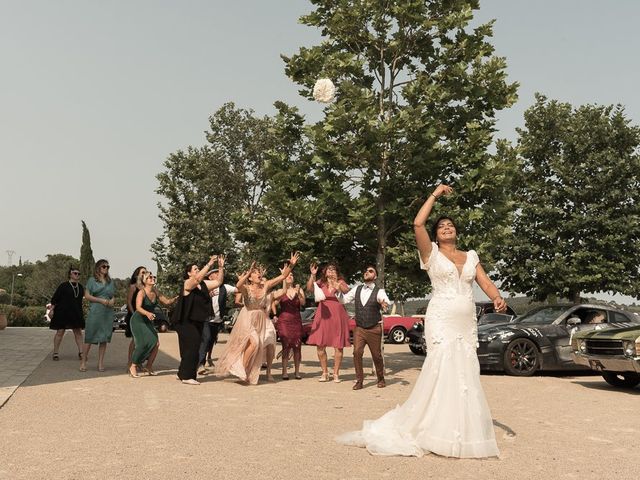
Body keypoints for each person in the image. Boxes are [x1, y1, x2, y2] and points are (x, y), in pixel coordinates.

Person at [337, 184, 506, 458]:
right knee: (442, 367)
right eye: (442, 226)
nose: (447, 227)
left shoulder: (471, 256)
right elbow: (417, 223)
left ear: (457, 232)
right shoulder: (431, 254)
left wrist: (497, 296)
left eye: (451, 225)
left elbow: (484, 282)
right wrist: (435, 194)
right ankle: (432, 427)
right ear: (436, 236)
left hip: (465, 321)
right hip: (441, 318)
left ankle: (462, 429)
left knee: (465, 371)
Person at [216, 252, 299, 385]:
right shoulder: (246, 288)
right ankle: (242, 369)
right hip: (247, 318)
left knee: (255, 346)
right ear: (250, 277)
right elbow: (238, 285)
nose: (260, 274)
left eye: (260, 272)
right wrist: (248, 272)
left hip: (260, 320)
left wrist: (291, 265)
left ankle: (245, 371)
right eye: (256, 273)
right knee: (253, 343)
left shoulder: (265, 286)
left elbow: (283, 276)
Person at [173, 255, 225, 385]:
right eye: (195, 269)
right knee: (193, 345)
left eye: (197, 268)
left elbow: (218, 282)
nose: (197, 270)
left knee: (190, 347)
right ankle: (188, 376)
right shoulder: (188, 283)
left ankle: (181, 373)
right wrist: (209, 264)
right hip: (185, 321)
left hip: (198, 320)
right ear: (189, 273)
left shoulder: (203, 284)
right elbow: (196, 279)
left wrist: (220, 267)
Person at [341, 265, 390, 390]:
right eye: (366, 271)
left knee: (376, 355)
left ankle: (381, 378)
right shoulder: (356, 289)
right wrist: (337, 291)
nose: (367, 272)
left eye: (371, 271)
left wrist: (384, 304)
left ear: (375, 276)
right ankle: (359, 381)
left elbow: (385, 302)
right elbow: (344, 300)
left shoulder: (379, 291)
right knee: (357, 352)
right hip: (360, 328)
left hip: (374, 328)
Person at [305, 262, 351, 383]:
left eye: (333, 270)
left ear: (337, 272)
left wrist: (337, 284)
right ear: (325, 272)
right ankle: (325, 372)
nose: (330, 271)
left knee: (338, 345)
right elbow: (309, 288)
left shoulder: (340, 282)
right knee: (320, 344)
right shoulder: (321, 283)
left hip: (338, 315)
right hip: (323, 314)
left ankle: (336, 373)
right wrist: (312, 275)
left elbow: (347, 291)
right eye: (328, 270)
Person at [128, 271, 177, 378]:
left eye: (153, 276)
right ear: (144, 281)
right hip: (138, 320)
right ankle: (133, 365)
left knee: (156, 343)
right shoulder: (141, 292)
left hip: (147, 320)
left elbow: (167, 302)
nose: (153, 278)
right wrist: (148, 313)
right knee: (141, 344)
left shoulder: (155, 291)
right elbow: (138, 308)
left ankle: (148, 366)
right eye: (150, 277)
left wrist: (178, 297)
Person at [197, 268, 236, 374]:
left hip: (218, 320)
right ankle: (200, 364)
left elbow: (238, 289)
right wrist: (206, 296)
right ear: (210, 277)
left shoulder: (225, 287)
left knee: (211, 341)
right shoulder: (204, 287)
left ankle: (205, 359)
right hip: (206, 319)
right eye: (216, 273)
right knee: (206, 339)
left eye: (219, 273)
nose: (219, 274)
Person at [80, 259, 116, 372]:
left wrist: (112, 301)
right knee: (89, 337)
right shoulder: (92, 280)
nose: (106, 268)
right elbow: (87, 296)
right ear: (98, 268)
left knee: (104, 338)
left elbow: (113, 296)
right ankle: (83, 362)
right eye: (103, 266)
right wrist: (100, 300)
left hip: (107, 313)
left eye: (107, 267)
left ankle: (100, 363)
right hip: (95, 311)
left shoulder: (110, 281)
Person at [272, 271, 305, 380]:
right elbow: (273, 302)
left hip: (296, 320)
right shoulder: (281, 291)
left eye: (291, 275)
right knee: (285, 344)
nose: (290, 276)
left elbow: (303, 303)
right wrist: (275, 314)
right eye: (287, 275)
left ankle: (297, 372)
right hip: (284, 320)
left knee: (297, 346)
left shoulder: (299, 289)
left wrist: (299, 293)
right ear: (284, 278)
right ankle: (284, 371)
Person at [49, 267, 85, 361]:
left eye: (78, 274)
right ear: (70, 274)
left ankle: (81, 352)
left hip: (76, 313)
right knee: (60, 332)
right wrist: (51, 310)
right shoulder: (63, 286)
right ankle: (55, 352)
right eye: (75, 273)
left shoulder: (80, 287)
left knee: (78, 332)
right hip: (62, 313)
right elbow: (55, 299)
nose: (77, 275)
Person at [124, 266, 147, 370]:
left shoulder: (146, 287)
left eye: (145, 272)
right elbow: (128, 301)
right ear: (137, 275)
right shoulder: (133, 287)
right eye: (142, 272)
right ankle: (130, 362)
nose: (145, 274)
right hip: (134, 316)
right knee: (135, 340)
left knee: (143, 341)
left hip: (144, 316)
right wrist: (134, 314)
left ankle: (138, 362)